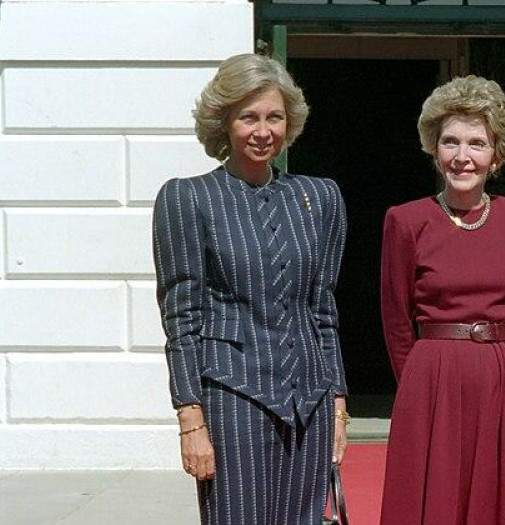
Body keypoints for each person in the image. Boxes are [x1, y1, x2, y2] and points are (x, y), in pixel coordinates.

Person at [152, 53, 349, 525]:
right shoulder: (187, 197)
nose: (264, 131)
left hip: (311, 402)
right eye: (249, 117)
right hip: (233, 399)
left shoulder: (320, 198)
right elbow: (182, 320)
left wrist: (338, 406)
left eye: (275, 117)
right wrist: (190, 421)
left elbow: (323, 310)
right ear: (224, 122)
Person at [379, 75, 505, 525]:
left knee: (498, 503)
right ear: (434, 148)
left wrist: (503, 368)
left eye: (476, 143)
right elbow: (395, 318)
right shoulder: (406, 221)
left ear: (497, 154)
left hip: (499, 376)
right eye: (450, 142)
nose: (462, 157)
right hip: (431, 380)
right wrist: (417, 385)